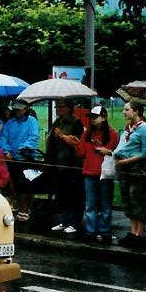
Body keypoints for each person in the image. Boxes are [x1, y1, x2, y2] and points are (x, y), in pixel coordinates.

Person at [75, 105, 119, 244]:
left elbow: (117, 152)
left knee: (105, 204)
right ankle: (91, 230)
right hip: (89, 171)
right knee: (91, 204)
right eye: (91, 117)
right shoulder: (87, 133)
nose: (93, 120)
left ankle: (105, 231)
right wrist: (76, 144)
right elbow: (81, 153)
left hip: (105, 173)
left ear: (104, 117)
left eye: (95, 117)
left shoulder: (112, 134)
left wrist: (108, 151)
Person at [113, 99, 146, 249]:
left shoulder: (144, 128)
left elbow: (145, 152)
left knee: (138, 200)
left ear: (136, 111)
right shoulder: (128, 127)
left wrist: (127, 161)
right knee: (128, 200)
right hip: (124, 168)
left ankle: (139, 234)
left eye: (127, 109)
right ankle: (132, 231)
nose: (124, 112)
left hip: (137, 168)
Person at [46, 100, 85, 235]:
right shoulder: (57, 122)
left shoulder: (76, 123)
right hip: (58, 164)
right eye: (57, 107)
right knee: (61, 194)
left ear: (69, 108)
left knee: (73, 195)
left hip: (72, 164)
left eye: (62, 107)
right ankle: (64, 220)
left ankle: (74, 222)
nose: (58, 109)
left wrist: (62, 136)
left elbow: (77, 142)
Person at [1, 99, 40, 221]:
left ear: (26, 109)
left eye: (20, 109)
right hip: (13, 159)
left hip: (27, 159)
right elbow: (3, 138)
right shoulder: (10, 123)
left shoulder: (32, 121)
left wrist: (23, 148)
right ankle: (22, 209)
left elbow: (33, 137)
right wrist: (6, 151)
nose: (17, 112)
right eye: (16, 109)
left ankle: (26, 210)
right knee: (17, 186)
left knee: (28, 186)